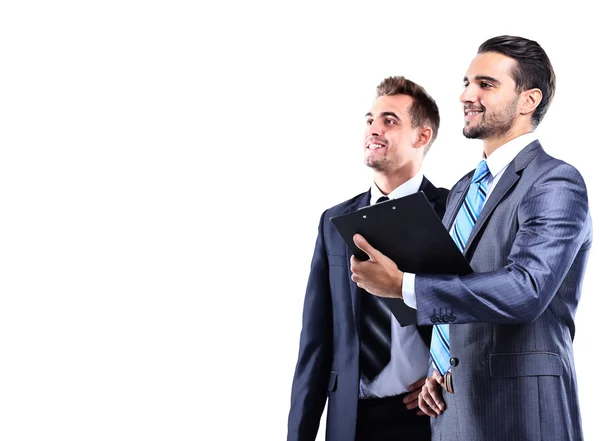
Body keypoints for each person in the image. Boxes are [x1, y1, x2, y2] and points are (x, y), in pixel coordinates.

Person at [350, 35, 592, 441]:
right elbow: (456, 286)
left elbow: (526, 289)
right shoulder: (463, 189)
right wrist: (438, 367)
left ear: (528, 101)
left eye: (486, 84)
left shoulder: (554, 181)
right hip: (453, 406)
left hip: (521, 414)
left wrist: (404, 286)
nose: (466, 95)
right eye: (466, 82)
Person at [287, 76, 449, 441]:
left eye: (389, 121)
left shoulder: (454, 211)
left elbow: (480, 314)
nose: (373, 130)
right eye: (369, 120)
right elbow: (315, 342)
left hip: (432, 416)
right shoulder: (333, 221)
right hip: (352, 419)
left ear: (422, 137)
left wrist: (449, 373)